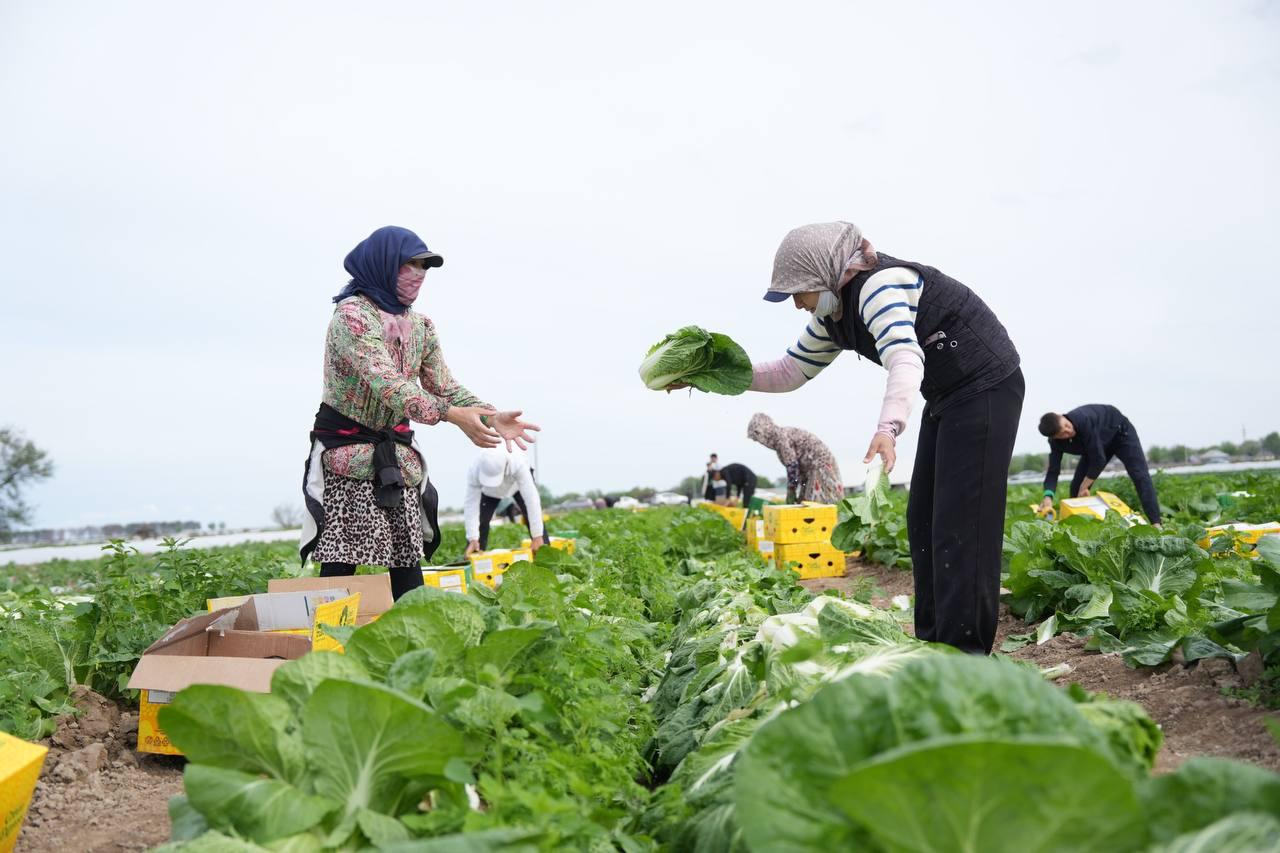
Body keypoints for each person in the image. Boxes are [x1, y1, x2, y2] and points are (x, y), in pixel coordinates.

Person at [697, 221, 1021, 656]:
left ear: (826, 274)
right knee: (923, 519)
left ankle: (966, 654)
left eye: (799, 292)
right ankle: (932, 645)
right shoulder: (830, 315)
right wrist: (709, 374)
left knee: (962, 523)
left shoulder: (879, 288)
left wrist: (888, 427)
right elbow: (788, 372)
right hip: (947, 395)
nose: (796, 304)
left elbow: (904, 356)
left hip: (986, 386)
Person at [300, 226, 539, 599]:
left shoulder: (421, 326)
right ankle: (327, 638)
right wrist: (448, 414)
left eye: (425, 266)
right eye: (409, 264)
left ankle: (416, 639)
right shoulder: (353, 317)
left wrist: (489, 416)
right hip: (348, 451)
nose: (419, 274)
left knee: (405, 557)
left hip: (396, 456)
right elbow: (389, 384)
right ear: (383, 264)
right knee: (341, 560)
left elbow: (444, 385)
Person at [1038, 405, 1161, 525]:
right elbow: (1053, 471)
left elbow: (1098, 460)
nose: (1068, 431)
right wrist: (1048, 497)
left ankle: (1156, 523)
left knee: (1140, 475)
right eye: (1062, 434)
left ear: (1062, 416)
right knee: (1076, 487)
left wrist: (1085, 486)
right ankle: (1078, 526)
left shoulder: (1082, 419)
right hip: (1095, 446)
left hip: (1120, 434)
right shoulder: (1055, 443)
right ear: (1054, 437)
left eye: (1066, 426)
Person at [464, 446, 546, 555]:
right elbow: (471, 504)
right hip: (489, 492)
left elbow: (532, 499)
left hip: (516, 485)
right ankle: (475, 556)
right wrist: (472, 537)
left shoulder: (518, 462)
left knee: (531, 518)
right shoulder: (474, 469)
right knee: (481, 523)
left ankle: (544, 553)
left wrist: (537, 535)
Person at [746, 414, 844, 504]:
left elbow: (792, 467)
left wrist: (791, 491)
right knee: (804, 502)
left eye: (758, 439)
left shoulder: (781, 439)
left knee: (816, 503)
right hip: (810, 469)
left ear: (764, 434)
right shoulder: (781, 437)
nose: (760, 443)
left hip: (820, 465)